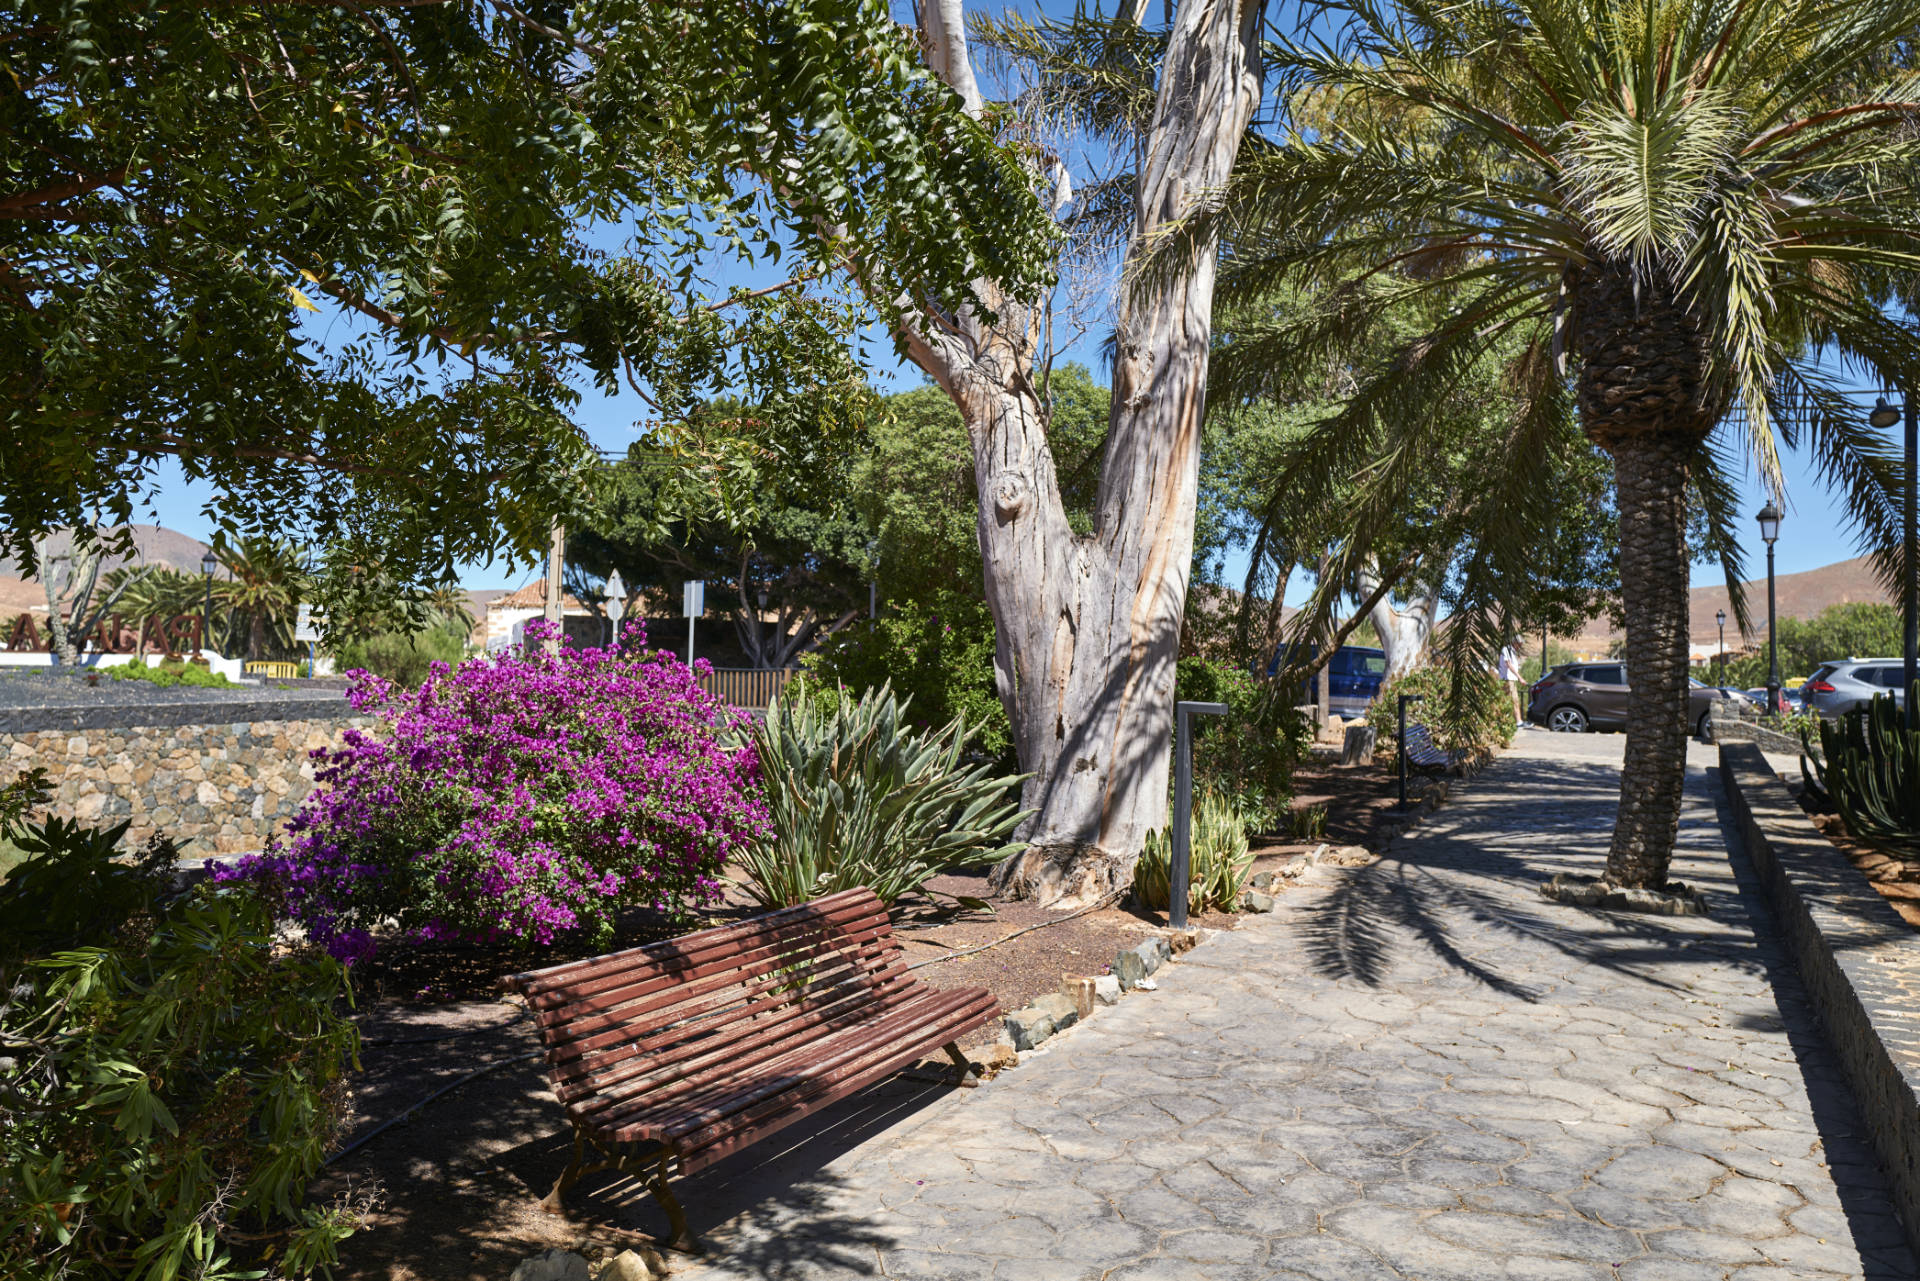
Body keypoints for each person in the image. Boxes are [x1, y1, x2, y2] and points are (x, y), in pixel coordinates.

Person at [1496, 643, 1523, 726]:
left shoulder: (1512, 651)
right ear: (1516, 643)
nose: (1520, 646)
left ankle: (1505, 720)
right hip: (1508, 679)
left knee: (1508, 701)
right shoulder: (1506, 650)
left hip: (1511, 679)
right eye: (1519, 644)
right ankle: (1518, 721)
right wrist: (1519, 677)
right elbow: (1509, 665)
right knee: (1514, 700)